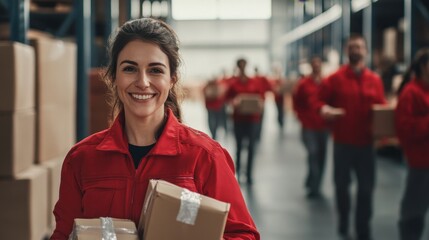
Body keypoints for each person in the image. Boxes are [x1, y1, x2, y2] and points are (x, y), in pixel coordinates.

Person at [50, 18, 259, 240]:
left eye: (155, 70)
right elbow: (63, 234)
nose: (142, 82)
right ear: (113, 77)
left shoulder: (204, 157)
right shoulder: (82, 159)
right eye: (130, 68)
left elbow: (243, 235)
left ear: (171, 80)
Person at [318, 34, 386, 240]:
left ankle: (363, 227)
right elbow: (319, 102)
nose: (356, 50)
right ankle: (344, 220)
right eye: (352, 47)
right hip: (343, 143)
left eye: (359, 47)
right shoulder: (334, 78)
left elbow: (381, 108)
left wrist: (383, 132)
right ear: (347, 51)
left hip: (366, 145)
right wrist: (325, 109)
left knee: (366, 189)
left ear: (365, 51)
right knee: (341, 187)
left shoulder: (374, 80)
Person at [395, 48, 429, 240]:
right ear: (424, 67)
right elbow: (405, 129)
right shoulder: (411, 93)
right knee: (414, 210)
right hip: (421, 162)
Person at [292, 56, 328, 199]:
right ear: (311, 66)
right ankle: (314, 187)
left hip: (323, 126)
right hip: (308, 126)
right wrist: (302, 117)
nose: (317, 67)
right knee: (313, 153)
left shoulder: (326, 83)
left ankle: (314, 182)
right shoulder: (304, 84)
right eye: (314, 65)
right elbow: (297, 102)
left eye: (319, 65)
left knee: (321, 156)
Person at [225, 58, 264, 184]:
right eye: (240, 66)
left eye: (244, 65)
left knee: (251, 147)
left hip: (252, 119)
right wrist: (234, 102)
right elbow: (227, 99)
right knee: (239, 146)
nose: (242, 68)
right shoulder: (233, 83)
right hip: (238, 119)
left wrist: (259, 103)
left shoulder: (254, 82)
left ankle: (249, 174)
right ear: (238, 67)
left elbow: (261, 97)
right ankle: (238, 173)